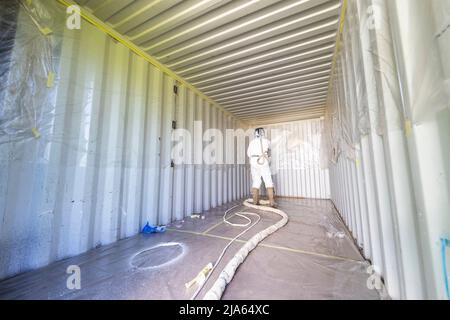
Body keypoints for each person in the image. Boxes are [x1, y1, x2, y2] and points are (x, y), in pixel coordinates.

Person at [247, 128, 277, 208]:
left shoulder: (252, 142)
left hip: (254, 162)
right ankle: (271, 202)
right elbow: (270, 150)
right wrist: (267, 156)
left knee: (256, 181)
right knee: (268, 180)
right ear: (263, 133)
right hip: (263, 161)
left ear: (255, 134)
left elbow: (249, 154)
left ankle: (255, 202)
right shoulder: (266, 141)